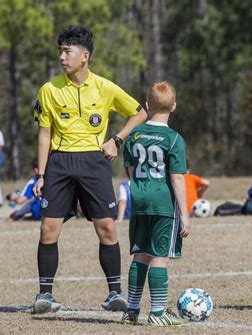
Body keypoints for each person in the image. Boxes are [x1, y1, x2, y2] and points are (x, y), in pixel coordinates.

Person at [32, 25, 147, 314]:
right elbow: (44, 134)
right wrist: (41, 174)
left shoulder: (105, 87)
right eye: (60, 51)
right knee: (48, 229)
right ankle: (44, 295)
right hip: (59, 163)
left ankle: (114, 294)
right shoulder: (49, 90)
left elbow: (140, 111)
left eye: (67, 51)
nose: (62, 57)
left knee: (107, 227)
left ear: (84, 56)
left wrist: (117, 140)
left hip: (94, 163)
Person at [120, 81, 190, 326]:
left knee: (140, 254)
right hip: (163, 204)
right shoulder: (174, 139)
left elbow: (130, 170)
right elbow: (177, 177)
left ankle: (131, 310)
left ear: (147, 105)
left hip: (139, 202)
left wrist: (142, 186)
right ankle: (158, 313)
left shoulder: (133, 136)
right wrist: (185, 213)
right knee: (160, 257)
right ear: (173, 106)